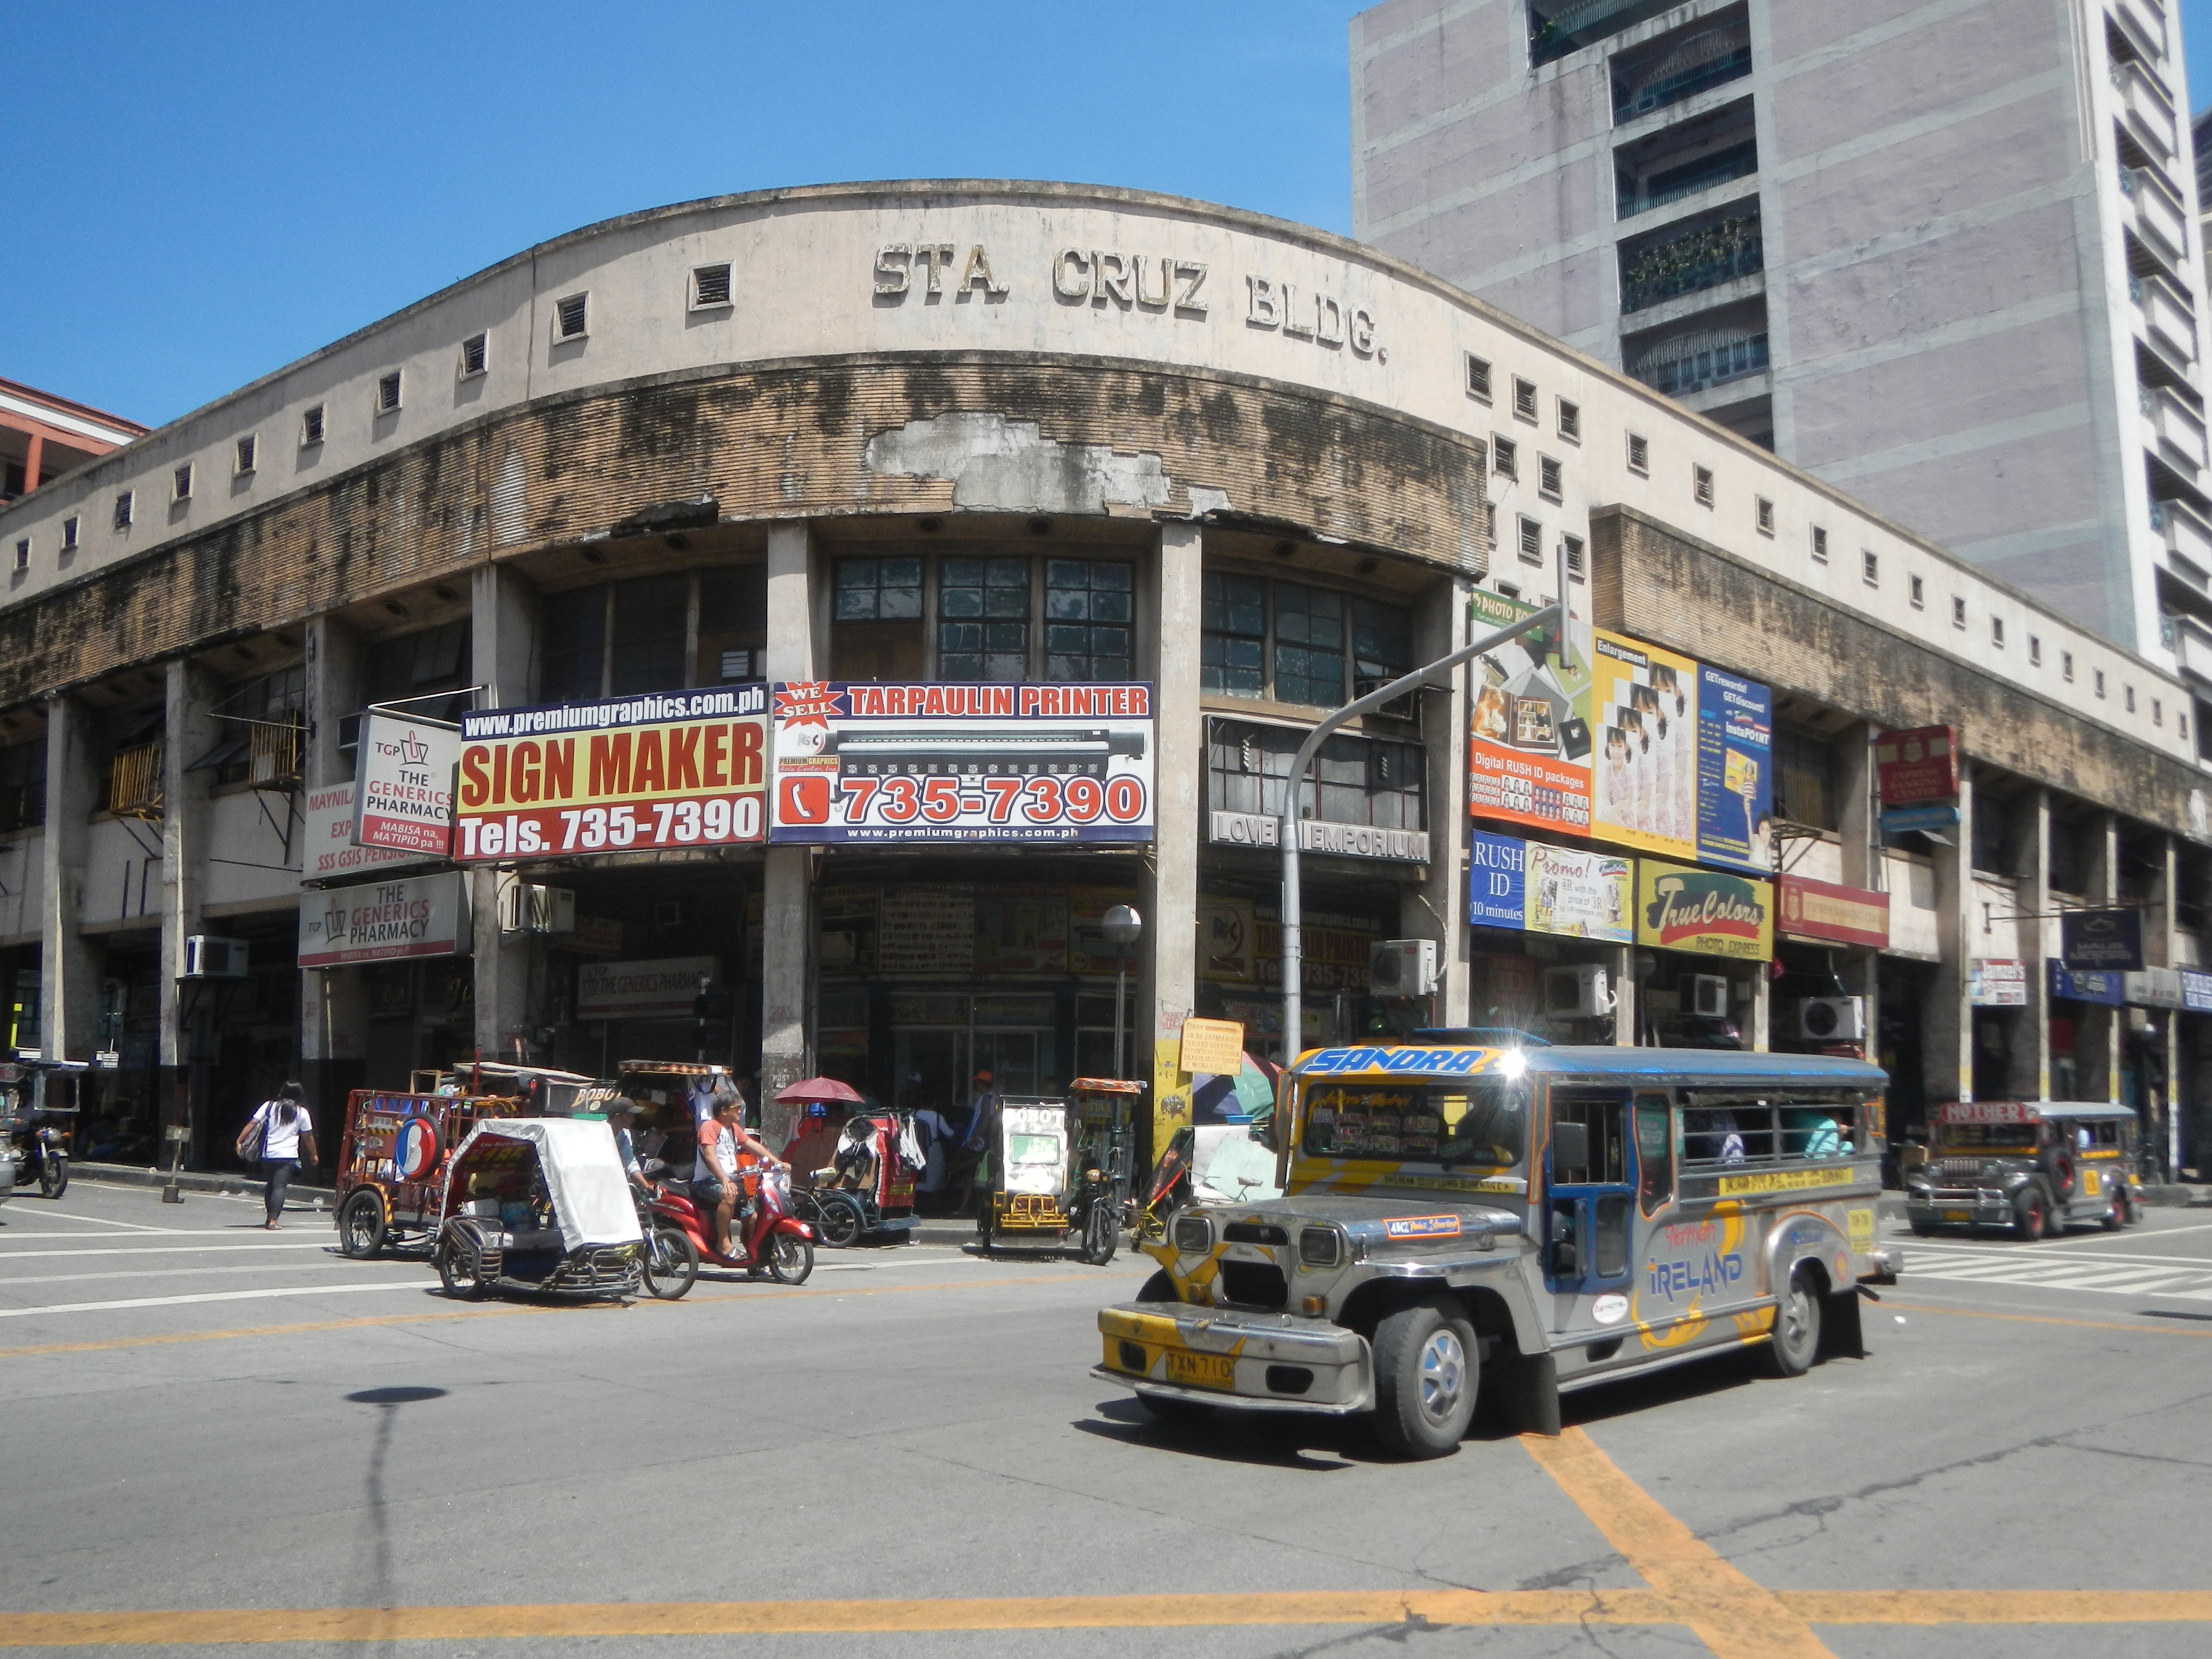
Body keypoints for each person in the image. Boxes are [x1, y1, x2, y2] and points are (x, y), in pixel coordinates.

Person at [694, 1092, 782, 1257]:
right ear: (724, 1110)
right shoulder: (710, 1127)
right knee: (728, 1195)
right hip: (706, 1182)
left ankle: (754, 1256)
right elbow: (710, 1156)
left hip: (730, 1182)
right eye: (736, 1108)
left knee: (753, 1219)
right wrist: (725, 1180)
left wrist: (776, 1161)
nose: (740, 1111)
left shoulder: (734, 1129)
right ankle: (723, 1244)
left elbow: (752, 1145)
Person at [237, 1082, 316, 1231]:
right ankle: (274, 1220)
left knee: (271, 1185)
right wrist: (314, 1154)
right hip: (288, 1155)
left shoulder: (269, 1106)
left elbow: (253, 1123)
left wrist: (240, 1140)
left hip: (268, 1154)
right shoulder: (302, 1112)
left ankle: (269, 1218)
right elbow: (308, 1137)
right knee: (280, 1187)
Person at [606, 1098, 651, 1195]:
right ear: (618, 1116)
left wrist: (646, 1185)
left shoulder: (624, 1133)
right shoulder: (599, 1131)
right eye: (630, 1115)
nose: (634, 1119)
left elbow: (630, 1161)